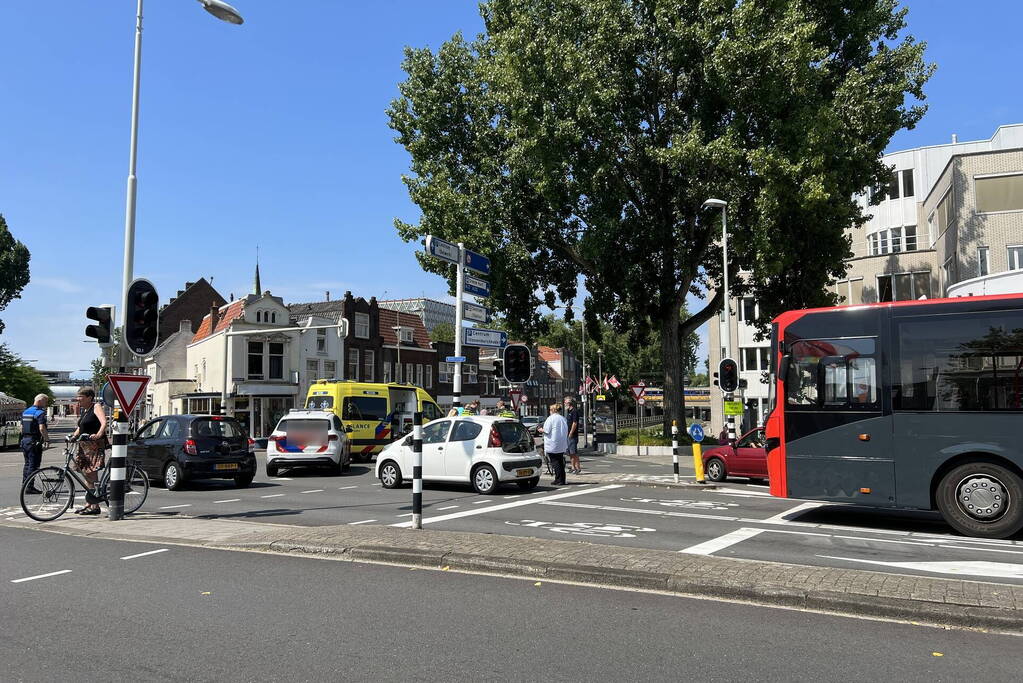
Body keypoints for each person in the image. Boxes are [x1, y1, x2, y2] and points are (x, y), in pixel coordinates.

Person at [70, 387, 108, 516]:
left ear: (89, 397)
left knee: (91, 475)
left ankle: (94, 505)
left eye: (80, 397)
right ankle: (90, 503)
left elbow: (104, 422)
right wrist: (73, 437)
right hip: (84, 446)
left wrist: (98, 434)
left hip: (94, 445)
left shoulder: (96, 406)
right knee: (87, 475)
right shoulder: (85, 411)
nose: (78, 400)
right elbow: (81, 428)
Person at [20, 394, 49, 494]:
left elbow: (22, 428)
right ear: (40, 401)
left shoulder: (25, 412)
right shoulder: (40, 413)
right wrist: (47, 440)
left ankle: (25, 484)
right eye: (45, 401)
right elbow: (42, 428)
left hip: (25, 440)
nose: (46, 404)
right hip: (34, 441)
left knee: (27, 464)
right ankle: (29, 487)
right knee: (34, 464)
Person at [541, 402, 568, 486]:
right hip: (561, 443)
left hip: (553, 443)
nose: (549, 411)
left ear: (553, 410)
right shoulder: (563, 418)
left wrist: (540, 430)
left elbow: (546, 430)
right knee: (560, 462)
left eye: (550, 410)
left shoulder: (550, 418)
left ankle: (558, 479)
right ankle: (561, 479)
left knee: (555, 462)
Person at [563, 397, 581, 474]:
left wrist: (570, 433)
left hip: (573, 435)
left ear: (569, 403)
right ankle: (573, 467)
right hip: (568, 435)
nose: (564, 403)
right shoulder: (568, 411)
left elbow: (575, 423)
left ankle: (578, 468)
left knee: (574, 452)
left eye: (565, 402)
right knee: (570, 452)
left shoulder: (574, 411)